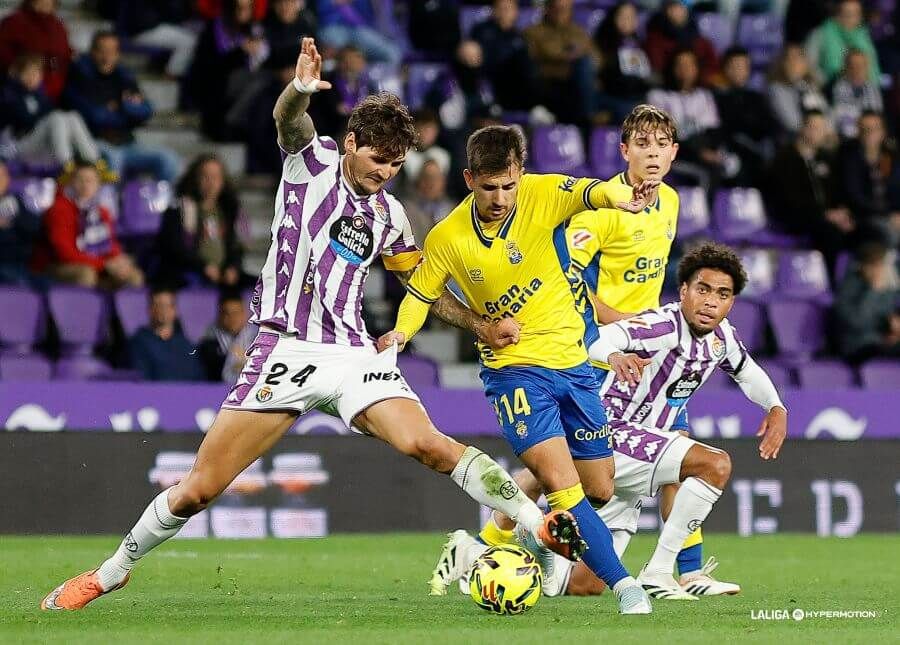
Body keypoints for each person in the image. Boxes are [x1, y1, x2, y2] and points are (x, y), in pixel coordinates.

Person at [40, 38, 580, 612]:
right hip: (285, 349)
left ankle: (537, 519)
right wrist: (298, 90)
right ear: (351, 144)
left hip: (352, 355)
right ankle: (111, 572)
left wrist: (478, 325)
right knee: (197, 489)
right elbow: (287, 119)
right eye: (377, 160)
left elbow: (420, 285)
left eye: (396, 165)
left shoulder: (390, 214)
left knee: (429, 444)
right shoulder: (311, 161)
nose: (385, 174)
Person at [382, 124, 661, 614]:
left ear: (520, 175)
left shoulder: (543, 194)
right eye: (488, 187)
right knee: (564, 487)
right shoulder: (449, 236)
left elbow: (596, 191)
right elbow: (422, 293)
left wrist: (627, 195)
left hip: (574, 365)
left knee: (599, 489)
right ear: (468, 178)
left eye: (508, 185)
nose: (500, 197)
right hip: (513, 372)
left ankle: (491, 548)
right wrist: (400, 335)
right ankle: (626, 588)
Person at [438, 243, 787, 599]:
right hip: (611, 434)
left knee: (582, 587)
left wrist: (775, 407)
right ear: (683, 291)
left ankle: (522, 543)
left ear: (732, 303)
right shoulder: (661, 325)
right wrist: (615, 355)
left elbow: (748, 373)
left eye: (722, 294)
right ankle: (662, 573)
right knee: (713, 464)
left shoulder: (723, 338)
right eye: (703, 289)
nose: (711, 301)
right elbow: (597, 339)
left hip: (642, 452)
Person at [64, 31, 180, 181]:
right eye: (102, 51)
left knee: (167, 159)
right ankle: (110, 204)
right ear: (92, 52)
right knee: (114, 159)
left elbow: (146, 111)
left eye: (111, 52)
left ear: (118, 54)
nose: (106, 57)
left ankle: (163, 203)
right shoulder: (79, 76)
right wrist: (127, 110)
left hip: (128, 143)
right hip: (94, 143)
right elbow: (94, 116)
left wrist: (119, 105)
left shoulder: (124, 77)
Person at [30, 160, 143, 289]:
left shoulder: (102, 211)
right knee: (86, 274)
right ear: (71, 182)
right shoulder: (59, 209)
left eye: (91, 181)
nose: (86, 185)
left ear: (98, 185)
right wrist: (104, 265)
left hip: (95, 262)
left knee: (133, 276)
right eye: (81, 180)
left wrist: (119, 261)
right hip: (56, 265)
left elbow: (110, 244)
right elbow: (65, 253)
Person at [767, 109, 852, 277]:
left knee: (864, 230)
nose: (818, 133)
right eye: (814, 127)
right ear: (802, 128)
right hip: (795, 218)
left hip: (825, 217)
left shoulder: (826, 158)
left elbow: (837, 192)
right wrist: (825, 214)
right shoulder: (785, 159)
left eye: (822, 128)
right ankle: (830, 284)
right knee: (830, 233)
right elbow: (790, 201)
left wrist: (843, 211)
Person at [154, 154, 246, 288]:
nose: (211, 183)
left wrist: (233, 267)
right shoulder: (179, 209)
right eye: (205, 177)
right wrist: (203, 266)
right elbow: (174, 248)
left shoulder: (229, 211)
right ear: (195, 179)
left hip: (223, 274)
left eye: (215, 177)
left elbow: (236, 247)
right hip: (189, 273)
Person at [0, 53, 102, 170]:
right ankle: (67, 165)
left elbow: (48, 111)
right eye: (27, 73)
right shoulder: (10, 94)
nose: (32, 77)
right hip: (18, 146)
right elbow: (25, 121)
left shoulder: (39, 94)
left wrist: (46, 114)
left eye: (36, 73)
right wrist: (45, 115)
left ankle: (95, 163)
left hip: (39, 143)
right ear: (18, 75)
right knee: (56, 118)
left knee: (72, 116)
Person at [187, 0, 270, 141]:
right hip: (214, 84)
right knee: (260, 81)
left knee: (266, 82)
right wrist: (240, 51)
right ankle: (231, 122)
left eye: (247, 8)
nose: (243, 12)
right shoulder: (214, 28)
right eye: (239, 8)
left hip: (240, 84)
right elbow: (210, 66)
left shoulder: (253, 30)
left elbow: (264, 58)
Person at [524, 0, 600, 127]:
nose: (561, 13)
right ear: (548, 9)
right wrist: (572, 55)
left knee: (622, 106)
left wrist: (572, 55)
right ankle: (588, 117)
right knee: (583, 67)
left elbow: (597, 59)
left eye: (565, 9)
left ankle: (589, 115)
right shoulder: (534, 32)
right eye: (557, 8)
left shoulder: (579, 32)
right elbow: (547, 53)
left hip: (579, 86)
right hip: (552, 86)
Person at [714, 46, 777, 186]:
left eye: (744, 67)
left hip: (757, 153)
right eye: (735, 66)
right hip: (732, 153)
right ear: (725, 68)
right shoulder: (716, 97)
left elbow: (770, 126)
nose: (740, 71)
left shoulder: (756, 98)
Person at [837, 111, 900, 247]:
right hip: (862, 218)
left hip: (890, 216)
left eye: (874, 129)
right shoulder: (849, 158)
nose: (869, 133)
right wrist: (888, 214)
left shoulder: (889, 158)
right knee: (888, 233)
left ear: (883, 132)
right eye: (864, 129)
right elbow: (855, 197)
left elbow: (896, 191)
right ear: (858, 132)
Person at [470, 0, 542, 114]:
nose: (505, 12)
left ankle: (535, 106)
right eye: (501, 8)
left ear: (516, 12)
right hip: (491, 76)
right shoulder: (482, 30)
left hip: (516, 82)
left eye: (509, 8)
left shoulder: (519, 35)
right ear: (493, 11)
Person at [834, 241, 900, 363]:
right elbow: (857, 322)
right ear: (863, 266)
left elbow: (885, 317)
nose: (879, 271)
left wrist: (893, 325)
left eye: (881, 265)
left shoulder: (887, 287)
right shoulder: (848, 287)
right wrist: (873, 291)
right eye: (875, 266)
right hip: (857, 346)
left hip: (881, 341)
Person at [129, 286, 205, 382]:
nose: (163, 310)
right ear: (150, 309)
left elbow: (199, 380)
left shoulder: (187, 345)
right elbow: (142, 380)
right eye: (158, 305)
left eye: (167, 305)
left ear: (175, 310)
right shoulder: (139, 343)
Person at [0, 0, 72, 102]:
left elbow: (64, 50)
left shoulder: (58, 25)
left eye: (49, 2)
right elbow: (3, 51)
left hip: (58, 84)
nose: (45, 4)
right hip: (26, 84)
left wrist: (71, 55)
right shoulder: (14, 21)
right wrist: (19, 68)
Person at [592, 1, 652, 122]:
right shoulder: (602, 42)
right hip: (612, 95)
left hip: (637, 94)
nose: (626, 20)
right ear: (614, 18)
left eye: (631, 17)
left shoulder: (641, 45)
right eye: (622, 16)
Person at [644, 0, 719, 87]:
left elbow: (712, 65)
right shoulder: (655, 39)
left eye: (680, 8)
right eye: (672, 8)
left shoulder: (700, 40)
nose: (677, 12)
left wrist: (697, 80)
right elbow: (656, 67)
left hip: (698, 88)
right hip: (667, 88)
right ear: (665, 11)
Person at [116, 0, 197, 78]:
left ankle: (170, 72)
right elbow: (169, 11)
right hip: (142, 31)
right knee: (189, 40)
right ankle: (172, 74)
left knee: (191, 35)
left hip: (145, 28)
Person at [806, 0, 881, 85]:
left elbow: (873, 69)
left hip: (862, 92)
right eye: (847, 13)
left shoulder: (864, 37)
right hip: (827, 89)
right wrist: (827, 83)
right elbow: (809, 65)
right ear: (836, 14)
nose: (851, 18)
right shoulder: (821, 33)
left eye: (856, 14)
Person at [767, 43, 832, 136]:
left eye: (799, 58)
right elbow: (792, 124)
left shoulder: (809, 87)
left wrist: (827, 132)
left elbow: (826, 115)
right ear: (782, 63)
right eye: (790, 59)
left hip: (817, 138)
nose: (795, 63)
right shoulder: (776, 89)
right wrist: (817, 133)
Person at [316, 0, 402, 66]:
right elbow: (321, 8)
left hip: (358, 29)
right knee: (328, 61)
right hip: (331, 27)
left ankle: (365, 76)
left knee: (393, 54)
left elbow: (366, 16)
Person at [197, 290, 257, 382]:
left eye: (236, 313)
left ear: (245, 314)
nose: (233, 318)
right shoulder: (208, 345)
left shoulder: (259, 341)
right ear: (219, 316)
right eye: (227, 313)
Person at [0, 160, 41, 286]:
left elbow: (34, 227)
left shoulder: (15, 201)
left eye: (2, 176)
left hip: (17, 263)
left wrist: (15, 220)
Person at [828, 49, 883, 138]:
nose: (857, 69)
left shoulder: (874, 90)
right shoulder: (832, 88)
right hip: (842, 137)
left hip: (868, 136)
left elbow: (878, 117)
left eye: (861, 66)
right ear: (845, 68)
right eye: (852, 66)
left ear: (867, 67)